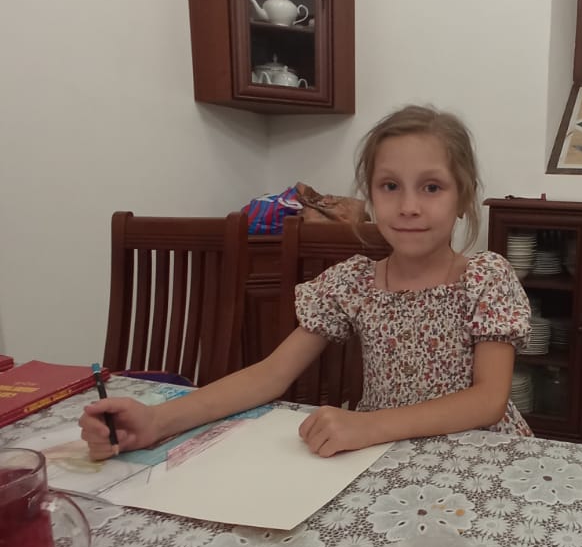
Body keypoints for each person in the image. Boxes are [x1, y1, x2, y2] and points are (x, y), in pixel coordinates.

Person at [81, 105, 533, 459]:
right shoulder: (353, 283)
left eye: (431, 187)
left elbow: (487, 400)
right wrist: (157, 421)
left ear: (463, 198)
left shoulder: (484, 278)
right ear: (371, 196)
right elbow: (270, 375)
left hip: (478, 455)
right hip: (381, 456)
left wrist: (369, 425)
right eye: (390, 186)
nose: (409, 206)